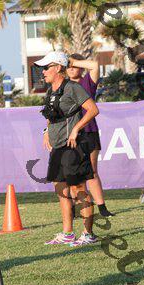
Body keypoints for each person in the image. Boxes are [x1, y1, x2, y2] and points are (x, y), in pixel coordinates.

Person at [36, 51, 98, 247]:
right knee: (61, 190)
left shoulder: (73, 87)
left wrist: (76, 129)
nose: (43, 71)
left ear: (58, 68)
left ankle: (88, 234)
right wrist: (46, 131)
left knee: (78, 189)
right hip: (57, 147)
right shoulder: (50, 91)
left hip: (73, 145)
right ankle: (68, 233)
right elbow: (51, 115)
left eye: (46, 67)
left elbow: (93, 109)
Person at [67, 53, 114, 217]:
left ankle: (102, 208)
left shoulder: (87, 82)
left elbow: (94, 65)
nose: (71, 69)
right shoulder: (63, 86)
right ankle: (74, 209)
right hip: (70, 134)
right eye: (68, 66)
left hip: (89, 131)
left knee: (92, 171)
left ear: (81, 67)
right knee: (73, 174)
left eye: (74, 66)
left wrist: (73, 61)